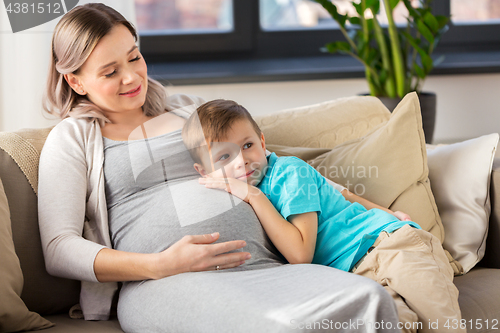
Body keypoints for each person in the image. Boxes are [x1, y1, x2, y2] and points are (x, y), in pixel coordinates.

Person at [38, 3, 401, 332]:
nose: (131, 77)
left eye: (134, 58)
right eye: (110, 71)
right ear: (75, 80)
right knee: (279, 326)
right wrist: (158, 264)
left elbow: (277, 167)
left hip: (270, 266)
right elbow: (59, 248)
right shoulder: (72, 139)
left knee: (369, 299)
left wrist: (380, 210)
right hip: (168, 280)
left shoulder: (190, 110)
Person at [182, 99, 464, 333]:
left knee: (442, 327)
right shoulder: (235, 194)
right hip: (354, 276)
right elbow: (341, 195)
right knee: (392, 325)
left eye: (247, 146)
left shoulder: (288, 173)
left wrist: (252, 196)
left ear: (262, 141)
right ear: (204, 172)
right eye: (224, 157)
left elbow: (301, 254)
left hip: (391, 246)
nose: (241, 160)